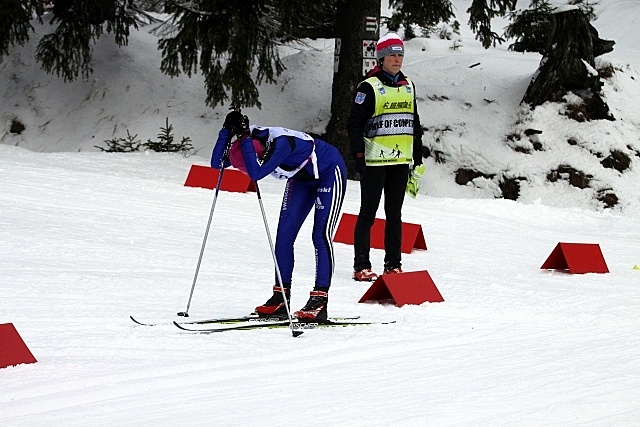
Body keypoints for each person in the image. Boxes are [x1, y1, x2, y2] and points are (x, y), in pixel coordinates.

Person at [211, 111, 347, 321]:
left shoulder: (279, 144)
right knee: (283, 238)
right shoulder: (248, 144)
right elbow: (216, 163)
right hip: (301, 179)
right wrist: (226, 131)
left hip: (329, 170)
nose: (248, 172)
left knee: (320, 236)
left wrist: (245, 138)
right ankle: (280, 298)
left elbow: (256, 174)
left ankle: (320, 299)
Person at [347, 32, 424, 282]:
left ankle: (393, 264)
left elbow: (414, 122)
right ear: (381, 58)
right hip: (375, 161)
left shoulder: (408, 85)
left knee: (395, 214)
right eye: (392, 54)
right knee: (368, 213)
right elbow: (355, 124)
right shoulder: (369, 87)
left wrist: (418, 156)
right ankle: (361, 266)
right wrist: (358, 155)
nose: (397, 59)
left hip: (400, 161)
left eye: (400, 54)